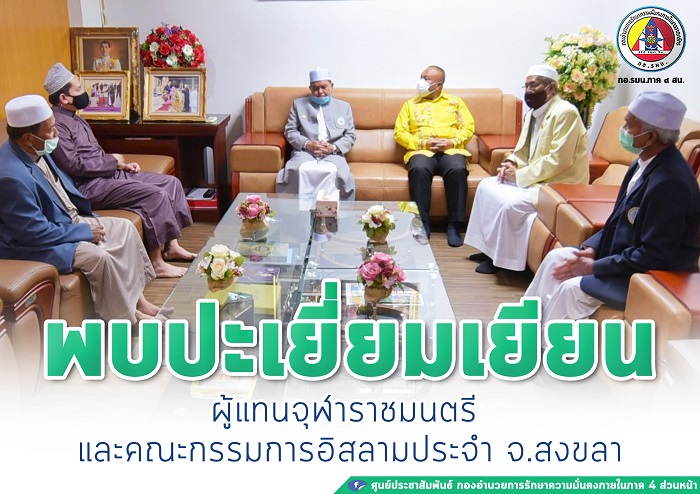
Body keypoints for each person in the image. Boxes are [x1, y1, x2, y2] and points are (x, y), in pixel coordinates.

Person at [525, 92, 700, 323]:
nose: (623, 130)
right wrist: (591, 249)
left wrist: (595, 267)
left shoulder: (670, 183)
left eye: (629, 125)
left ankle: (548, 343)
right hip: (622, 259)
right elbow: (617, 219)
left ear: (649, 137)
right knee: (556, 258)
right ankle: (527, 326)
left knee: (572, 290)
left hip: (647, 275)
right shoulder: (642, 163)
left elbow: (654, 255)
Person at [0, 95, 164, 323]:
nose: (56, 134)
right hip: (30, 245)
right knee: (97, 257)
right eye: (50, 130)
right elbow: (33, 233)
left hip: (64, 222)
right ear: (28, 138)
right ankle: (127, 319)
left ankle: (138, 300)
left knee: (125, 228)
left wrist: (81, 222)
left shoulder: (34, 149)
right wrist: (83, 232)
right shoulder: (11, 176)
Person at [44, 62, 195, 278]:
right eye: (78, 89)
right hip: (89, 187)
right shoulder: (57, 125)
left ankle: (171, 246)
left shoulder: (75, 116)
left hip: (107, 174)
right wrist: (112, 162)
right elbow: (74, 166)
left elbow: (93, 153)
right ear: (64, 98)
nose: (84, 93)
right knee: (155, 195)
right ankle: (157, 263)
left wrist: (120, 165)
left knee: (171, 183)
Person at [465, 64, 589, 274]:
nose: (529, 91)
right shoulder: (532, 114)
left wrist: (519, 176)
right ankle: (488, 250)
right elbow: (523, 149)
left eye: (534, 86)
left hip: (557, 183)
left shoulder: (565, 113)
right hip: (535, 177)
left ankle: (502, 261)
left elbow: (559, 160)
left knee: (510, 205)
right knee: (486, 186)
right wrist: (511, 164)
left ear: (551, 88)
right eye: (527, 86)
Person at [394, 65, 475, 247]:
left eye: (426, 78)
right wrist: (423, 143)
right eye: (421, 76)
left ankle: (454, 225)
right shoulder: (410, 104)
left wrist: (451, 142)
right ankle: (422, 224)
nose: (421, 81)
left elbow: (468, 127)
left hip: (451, 149)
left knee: (458, 170)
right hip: (422, 150)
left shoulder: (455, 102)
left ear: (438, 85)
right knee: (419, 169)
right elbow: (400, 132)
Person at [275, 68, 356, 201]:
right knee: (294, 171)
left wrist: (333, 147)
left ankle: (336, 212)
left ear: (331, 86)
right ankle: (293, 211)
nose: (320, 92)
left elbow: (350, 136)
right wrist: (307, 144)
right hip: (305, 152)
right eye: (315, 88)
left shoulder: (344, 107)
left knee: (341, 175)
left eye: (324, 87)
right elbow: (290, 131)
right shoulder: (298, 104)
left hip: (333, 153)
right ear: (310, 88)